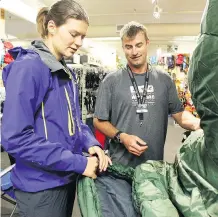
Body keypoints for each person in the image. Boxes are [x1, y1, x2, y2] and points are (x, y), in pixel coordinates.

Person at [1, 1, 111, 217]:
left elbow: (75, 122)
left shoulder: (63, 71)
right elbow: (14, 138)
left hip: (63, 176)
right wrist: (79, 163)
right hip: (41, 187)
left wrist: (91, 144)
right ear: (52, 27)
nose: (79, 42)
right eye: (73, 34)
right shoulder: (30, 68)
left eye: (83, 36)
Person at [93, 21, 200, 216]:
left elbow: (179, 115)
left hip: (153, 169)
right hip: (119, 169)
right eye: (128, 46)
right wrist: (121, 136)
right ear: (123, 47)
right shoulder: (111, 81)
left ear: (147, 43)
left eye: (138, 45)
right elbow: (98, 120)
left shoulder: (164, 80)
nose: (134, 51)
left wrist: (202, 125)